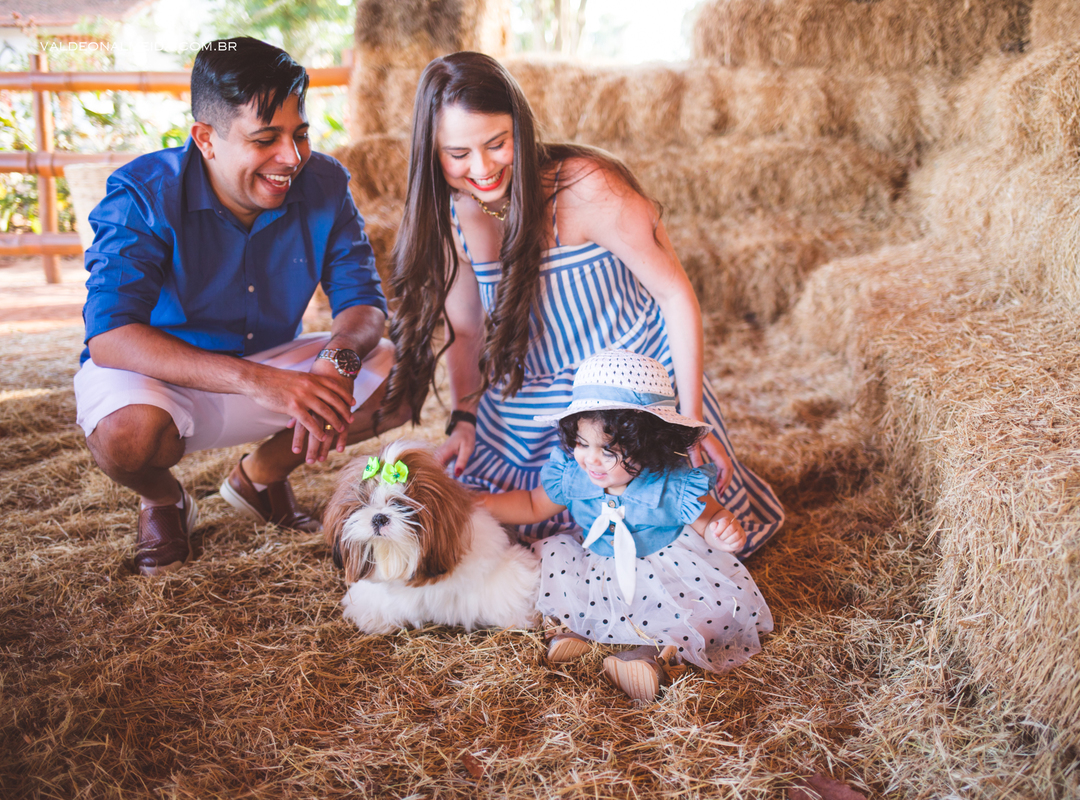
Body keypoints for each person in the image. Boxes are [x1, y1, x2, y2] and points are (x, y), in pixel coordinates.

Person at [382, 51, 784, 554]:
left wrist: (687, 420)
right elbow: (467, 333)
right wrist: (465, 418)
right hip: (533, 396)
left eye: (497, 143)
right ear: (431, 152)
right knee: (487, 526)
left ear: (520, 131)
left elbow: (674, 294)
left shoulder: (586, 188)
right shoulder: (454, 216)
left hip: (630, 391)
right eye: (458, 154)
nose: (482, 168)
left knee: (655, 527)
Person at [75, 37, 408, 576]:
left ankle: (258, 477)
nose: (292, 158)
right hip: (163, 379)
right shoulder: (141, 193)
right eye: (265, 139)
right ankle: (163, 500)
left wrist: (339, 359)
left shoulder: (326, 182)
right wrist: (261, 382)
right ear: (205, 138)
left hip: (272, 365)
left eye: (300, 134)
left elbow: (364, 305)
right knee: (125, 436)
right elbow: (109, 337)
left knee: (399, 374)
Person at [482, 349, 773, 702]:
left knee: (700, 612)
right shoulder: (575, 476)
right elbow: (531, 504)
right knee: (555, 557)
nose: (590, 458)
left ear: (648, 446)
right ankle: (571, 631)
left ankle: (652, 659)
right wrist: (478, 503)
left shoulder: (671, 483)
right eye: (581, 443)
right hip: (598, 563)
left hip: (664, 567)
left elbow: (709, 517)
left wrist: (722, 530)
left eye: (608, 450)